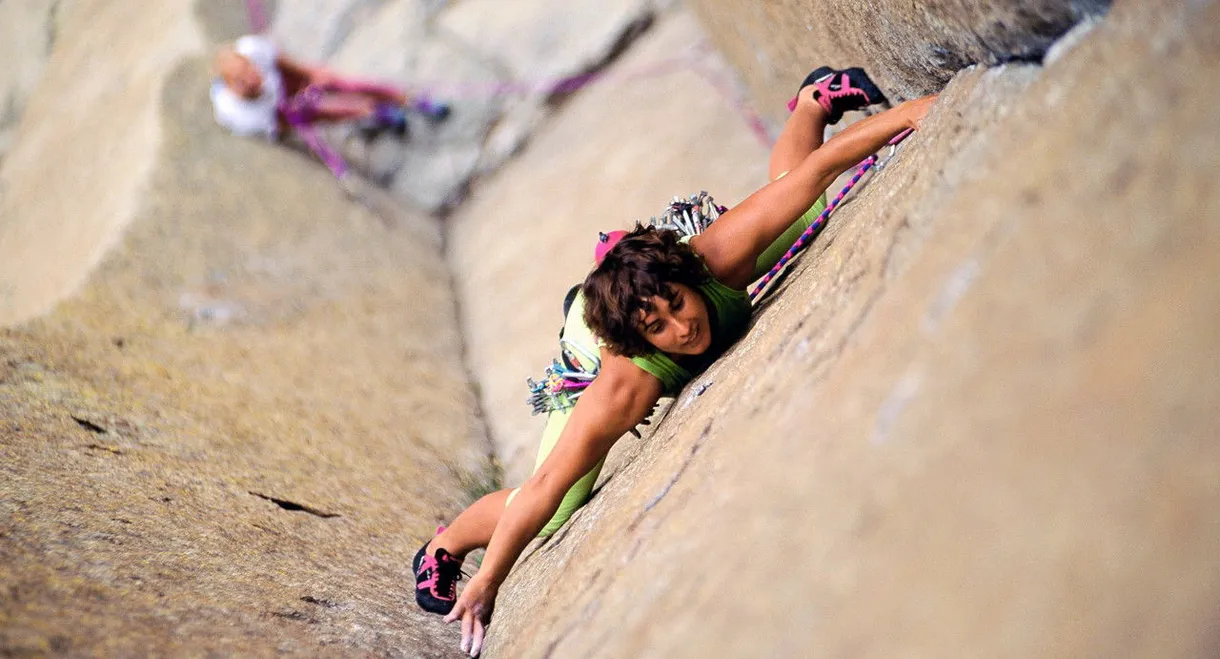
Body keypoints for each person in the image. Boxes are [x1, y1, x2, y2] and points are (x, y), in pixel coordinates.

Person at [414, 65, 937, 656]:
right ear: (642, 341)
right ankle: (447, 543)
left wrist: (913, 113)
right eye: (660, 327)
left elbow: (816, 171)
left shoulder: (714, 257)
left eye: (678, 304)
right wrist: (488, 580)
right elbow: (542, 485)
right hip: (595, 336)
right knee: (561, 506)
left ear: (689, 279)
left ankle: (813, 101)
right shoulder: (626, 381)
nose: (684, 326)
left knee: (803, 206)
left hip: (645, 267)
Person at [209, 34, 449, 141]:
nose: (251, 78)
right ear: (234, 88)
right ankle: (375, 112)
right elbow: (284, 123)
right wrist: (300, 109)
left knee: (346, 85)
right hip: (277, 109)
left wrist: (313, 76)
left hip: (284, 79)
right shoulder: (245, 115)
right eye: (242, 80)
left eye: (249, 70)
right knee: (329, 111)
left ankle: (406, 99)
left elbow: (287, 64)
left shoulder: (252, 50)